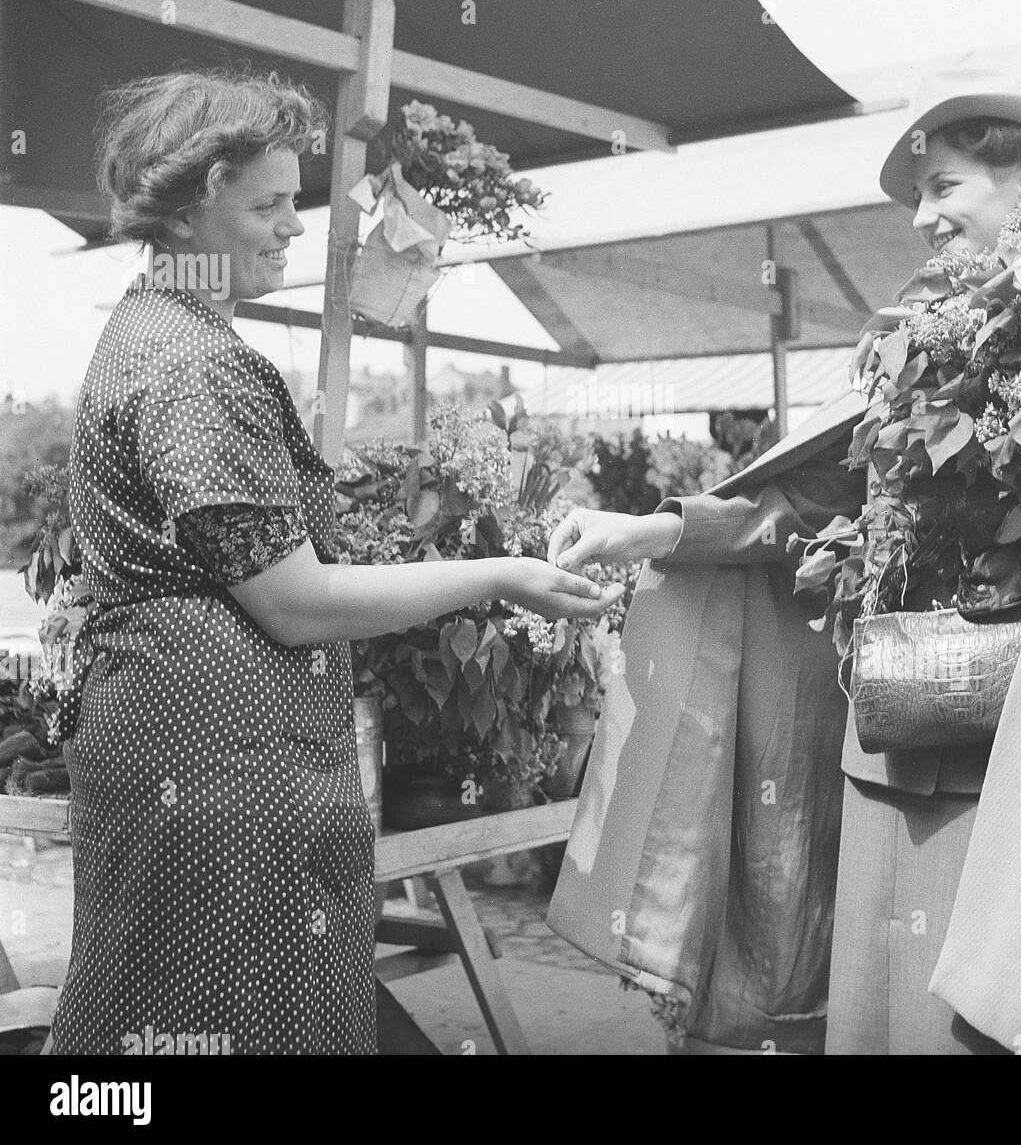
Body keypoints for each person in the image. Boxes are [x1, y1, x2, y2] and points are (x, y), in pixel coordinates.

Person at [545, 68, 1021, 1055]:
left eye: (944, 185)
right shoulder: (909, 334)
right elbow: (806, 507)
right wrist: (648, 530)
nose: (920, 216)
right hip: (890, 745)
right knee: (881, 1025)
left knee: (1007, 1017)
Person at [51, 70, 621, 1056]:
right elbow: (299, 602)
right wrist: (498, 575)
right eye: (266, 204)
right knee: (226, 1020)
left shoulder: (160, 331)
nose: (291, 227)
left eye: (294, 201)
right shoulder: (192, 361)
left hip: (197, 756)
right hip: (216, 768)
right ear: (188, 212)